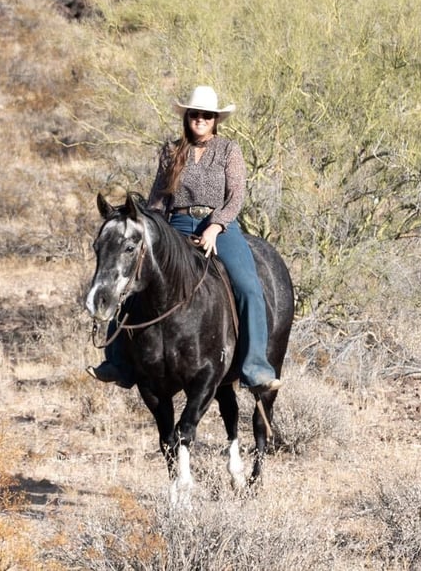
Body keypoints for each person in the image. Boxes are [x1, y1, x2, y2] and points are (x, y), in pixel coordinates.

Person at [87, 85, 282, 394]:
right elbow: (156, 201)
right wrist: (155, 231)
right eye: (195, 114)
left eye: (207, 115)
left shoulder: (229, 150)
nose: (200, 119)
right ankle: (118, 361)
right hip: (175, 224)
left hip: (221, 227)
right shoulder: (171, 151)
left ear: (216, 119)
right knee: (137, 282)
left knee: (247, 286)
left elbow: (235, 197)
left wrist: (215, 226)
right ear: (187, 117)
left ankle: (255, 365)